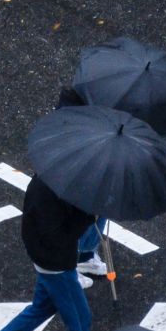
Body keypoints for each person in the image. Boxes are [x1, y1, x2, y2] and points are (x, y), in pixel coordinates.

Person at [0, 173, 113, 331]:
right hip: (56, 264)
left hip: (45, 257)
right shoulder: (55, 193)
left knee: (42, 308)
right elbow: (62, 234)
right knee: (80, 318)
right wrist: (88, 216)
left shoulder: (47, 180)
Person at [56, 86, 107, 289]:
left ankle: (85, 254)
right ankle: (68, 264)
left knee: (102, 207)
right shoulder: (78, 94)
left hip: (98, 157)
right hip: (80, 160)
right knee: (79, 213)